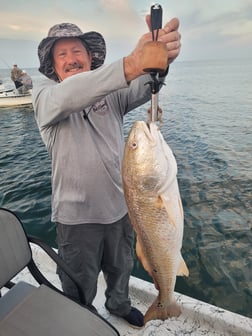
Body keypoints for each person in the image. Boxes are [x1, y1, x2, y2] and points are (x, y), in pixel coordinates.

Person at [33, 16, 181, 328]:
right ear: (53, 65)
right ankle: (81, 314)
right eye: (62, 55)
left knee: (121, 268)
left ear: (90, 57)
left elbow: (142, 85)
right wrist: (131, 62)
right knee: (78, 278)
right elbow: (72, 94)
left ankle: (118, 304)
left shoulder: (110, 94)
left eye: (77, 51)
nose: (71, 60)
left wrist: (159, 61)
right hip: (75, 219)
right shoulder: (46, 98)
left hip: (121, 210)